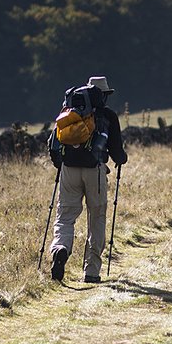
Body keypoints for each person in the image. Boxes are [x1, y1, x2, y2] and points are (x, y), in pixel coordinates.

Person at [48, 76, 127, 284]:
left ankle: (60, 248)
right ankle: (91, 271)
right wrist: (121, 159)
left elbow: (53, 143)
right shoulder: (108, 116)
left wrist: (61, 165)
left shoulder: (69, 112)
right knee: (96, 218)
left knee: (65, 216)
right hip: (95, 170)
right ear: (104, 95)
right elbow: (118, 152)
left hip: (68, 170)